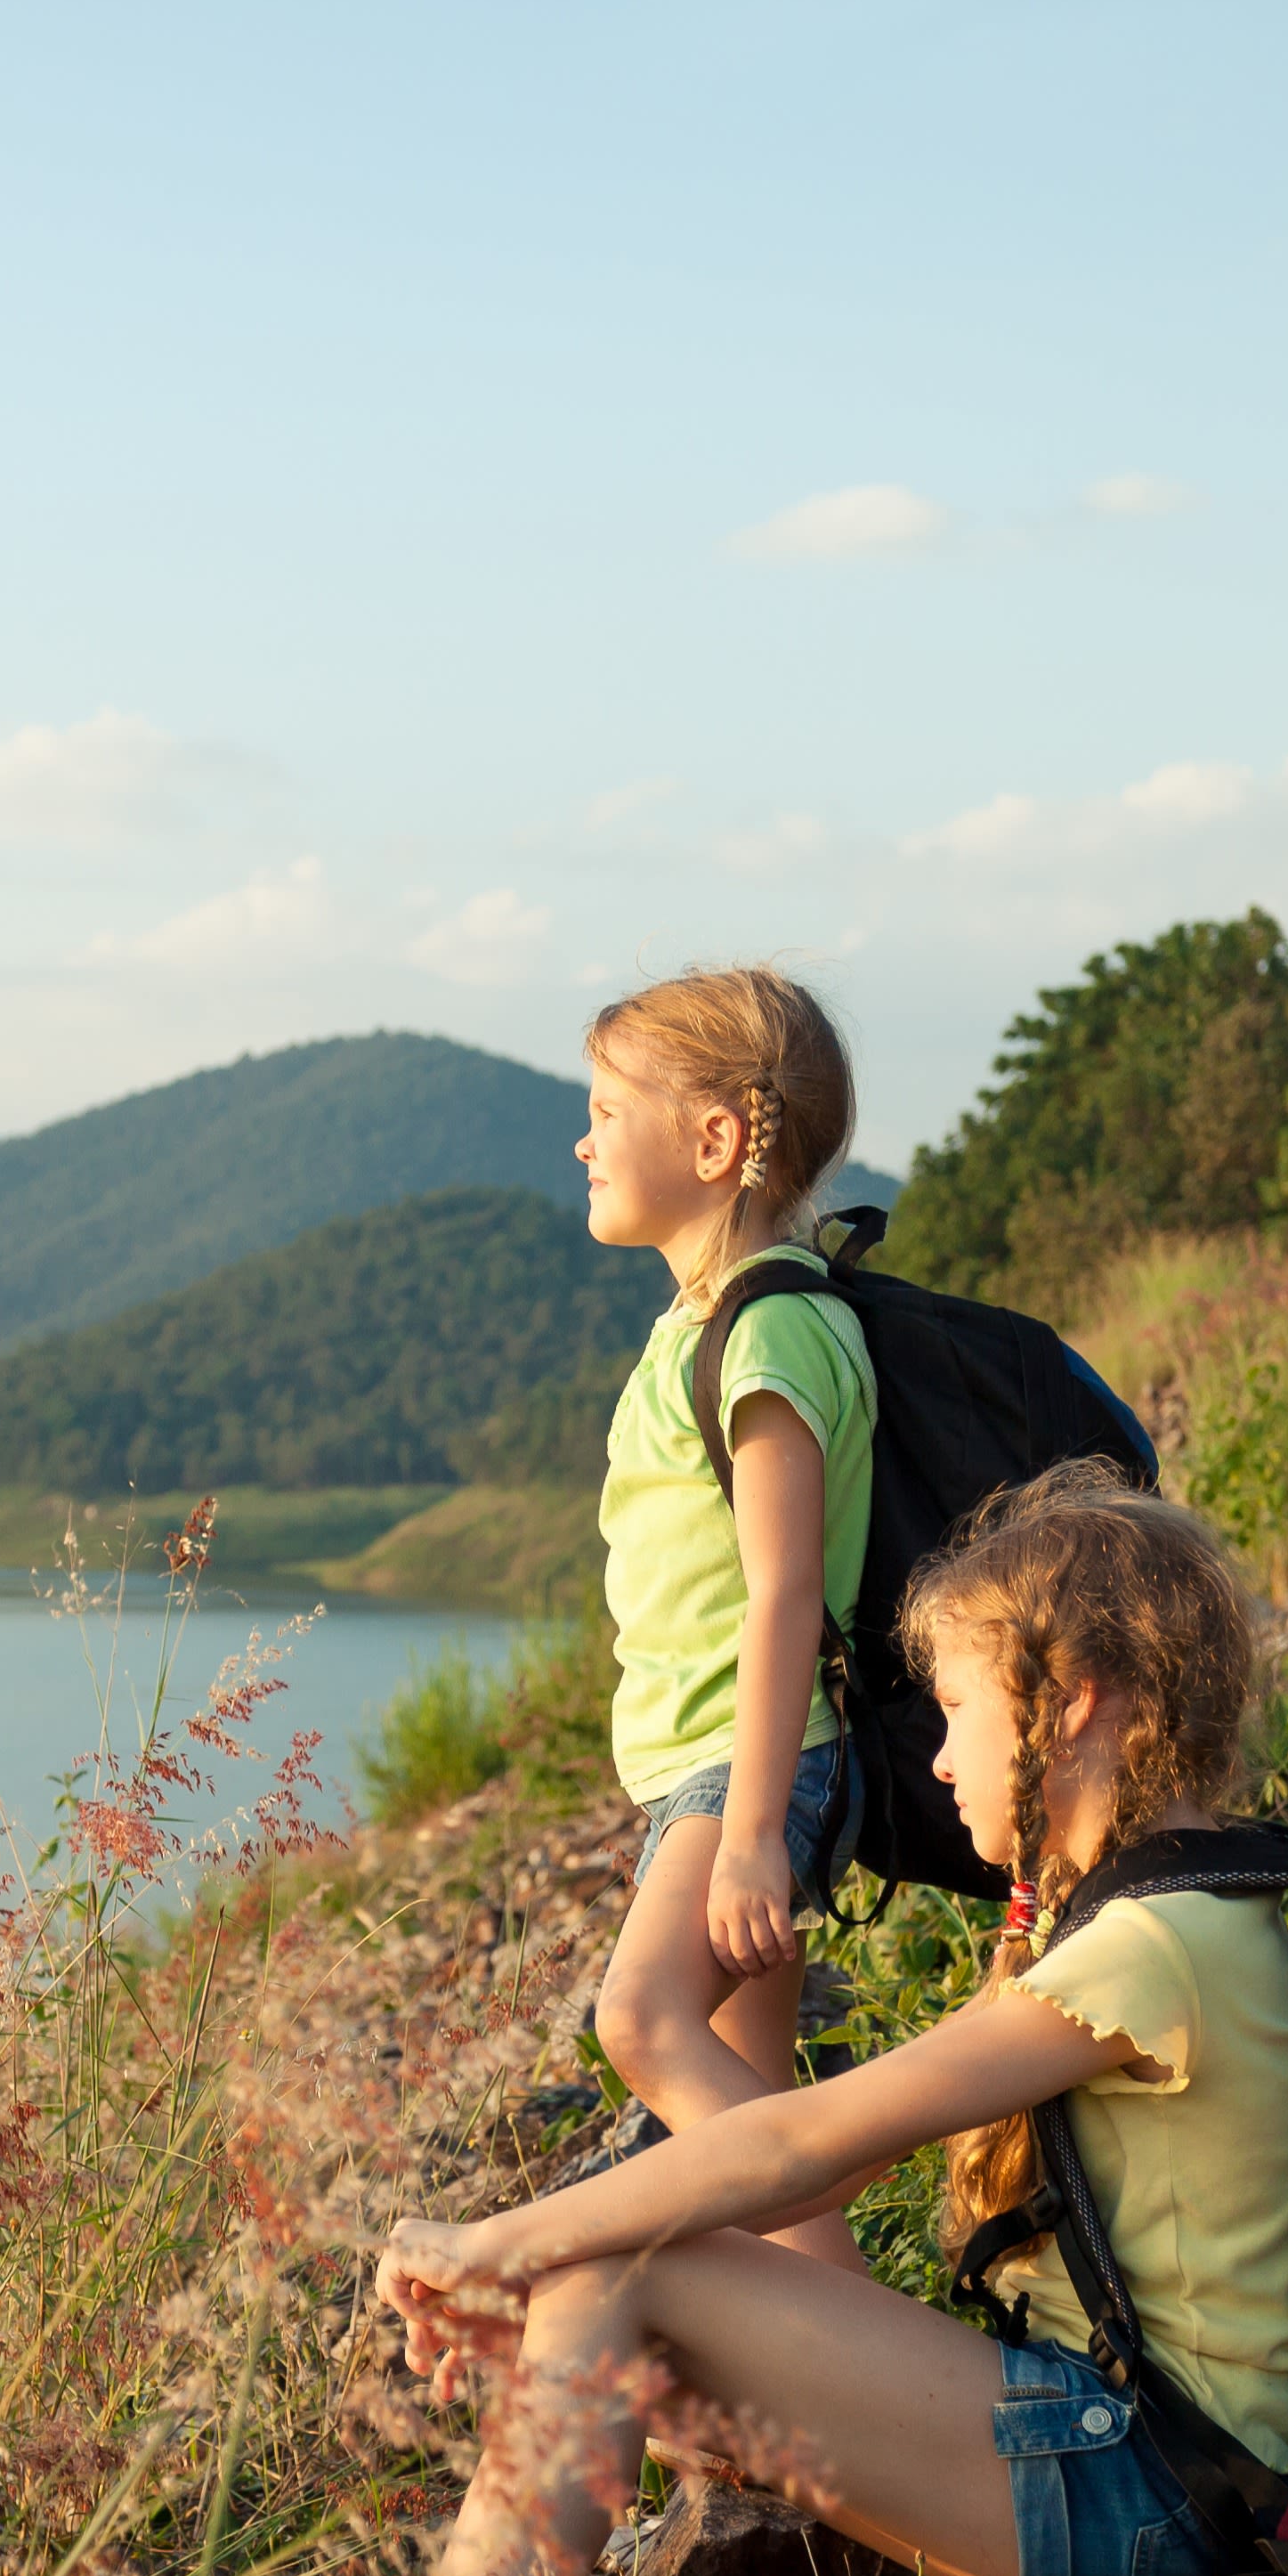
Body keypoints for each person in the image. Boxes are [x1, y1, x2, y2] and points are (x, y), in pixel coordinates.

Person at [376, 1470, 1288, 2576]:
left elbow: (810, 2143)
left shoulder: (1157, 1945)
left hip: (1149, 2486)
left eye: (959, 1710)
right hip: (1131, 2460)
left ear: (1075, 1705)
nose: (935, 1758)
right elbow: (824, 2158)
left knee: (618, 2271)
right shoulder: (1155, 1911)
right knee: (616, 2309)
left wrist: (497, 2242)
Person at [575, 967, 879, 2267]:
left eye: (604, 1108)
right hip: (710, 1770)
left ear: (713, 1141)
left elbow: (785, 1592)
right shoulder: (706, 1322)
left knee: (642, 2021)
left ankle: (882, 2331)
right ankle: (828, 2408)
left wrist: (753, 1829)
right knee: (742, 2101)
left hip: (747, 1769)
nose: (582, 1140)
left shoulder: (771, 1333)